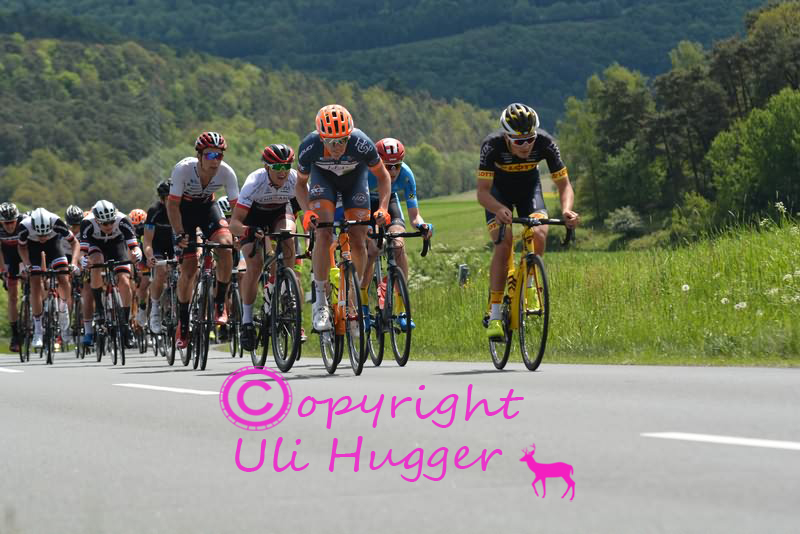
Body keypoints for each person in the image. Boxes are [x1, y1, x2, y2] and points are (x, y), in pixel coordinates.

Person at [477, 103, 580, 339]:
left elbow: (564, 185)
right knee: (504, 244)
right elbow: (482, 193)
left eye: (530, 139)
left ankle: (531, 286)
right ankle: (494, 314)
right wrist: (498, 208)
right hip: (497, 196)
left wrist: (567, 210)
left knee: (539, 232)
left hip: (529, 192)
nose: (526, 145)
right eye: (518, 141)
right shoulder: (492, 146)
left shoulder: (545, 143)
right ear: (506, 136)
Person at [295, 104, 392, 332]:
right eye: (331, 142)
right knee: (323, 234)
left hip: (354, 183)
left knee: (359, 238)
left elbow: (383, 177)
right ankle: (320, 303)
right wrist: (307, 212)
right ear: (321, 137)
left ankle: (352, 300)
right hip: (323, 182)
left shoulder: (361, 143)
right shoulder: (309, 146)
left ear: (350, 135)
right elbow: (300, 185)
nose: (337, 147)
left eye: (342, 140)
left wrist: (383, 208)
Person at [166, 131, 239, 349]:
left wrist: (238, 234)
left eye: (219, 155)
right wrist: (179, 233)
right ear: (199, 156)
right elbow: (172, 205)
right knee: (189, 269)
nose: (215, 161)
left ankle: (219, 302)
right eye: (210, 155)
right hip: (184, 212)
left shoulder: (227, 173)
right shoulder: (183, 170)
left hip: (208, 208)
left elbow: (237, 208)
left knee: (225, 246)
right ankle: (183, 322)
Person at [229, 144, 304, 351]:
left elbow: (306, 210)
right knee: (255, 266)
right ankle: (246, 321)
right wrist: (248, 230)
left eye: (286, 166)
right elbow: (234, 224)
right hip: (252, 218)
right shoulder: (254, 182)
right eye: (277, 167)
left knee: (288, 234)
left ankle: (287, 289)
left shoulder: (295, 179)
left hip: (279, 214)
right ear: (267, 167)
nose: (283, 171)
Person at [363, 137, 433, 331]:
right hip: (366, 205)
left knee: (398, 244)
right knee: (371, 251)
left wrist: (422, 226)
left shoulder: (407, 175)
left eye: (397, 165)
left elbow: (414, 215)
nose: (393, 171)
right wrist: (366, 229)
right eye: (388, 166)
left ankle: (402, 310)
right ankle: (363, 306)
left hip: (390, 203)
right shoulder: (366, 174)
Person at [78, 200, 142, 348]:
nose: (109, 226)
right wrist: (83, 260)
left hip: (117, 245)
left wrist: (137, 253)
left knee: (124, 280)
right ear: (96, 220)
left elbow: (134, 246)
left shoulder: (123, 220)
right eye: (104, 223)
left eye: (111, 222)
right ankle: (100, 309)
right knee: (96, 261)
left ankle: (125, 325)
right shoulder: (87, 223)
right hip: (96, 246)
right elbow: (83, 251)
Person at [17, 207, 80, 348]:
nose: (43, 238)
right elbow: (21, 247)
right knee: (35, 283)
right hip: (33, 249)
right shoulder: (24, 227)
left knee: (63, 276)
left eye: (45, 234)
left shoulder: (57, 222)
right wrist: (27, 264)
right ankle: (38, 331)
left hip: (54, 247)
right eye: (40, 234)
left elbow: (75, 243)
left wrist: (74, 263)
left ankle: (63, 309)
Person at [142, 181, 176, 335]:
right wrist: (149, 257)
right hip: (157, 246)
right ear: (162, 199)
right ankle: (155, 308)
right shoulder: (154, 211)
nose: (172, 201)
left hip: (175, 244)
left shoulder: (182, 208)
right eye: (169, 198)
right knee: (161, 271)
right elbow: (147, 241)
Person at [65, 205, 93, 345]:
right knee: (66, 286)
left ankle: (87, 318)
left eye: (78, 225)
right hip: (66, 257)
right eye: (72, 226)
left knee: (87, 286)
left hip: (81, 258)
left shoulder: (86, 230)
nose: (75, 229)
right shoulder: (63, 233)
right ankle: (66, 324)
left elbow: (87, 252)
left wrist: (83, 266)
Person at [0, 202, 25, 351]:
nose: (9, 226)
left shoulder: (24, 222)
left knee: (36, 282)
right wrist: (3, 270)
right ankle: (15, 335)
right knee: (13, 296)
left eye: (12, 222)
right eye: (6, 223)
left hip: (25, 253)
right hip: (9, 257)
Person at [128, 208, 150, 328]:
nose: (137, 228)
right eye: (134, 226)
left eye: (139, 225)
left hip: (149, 255)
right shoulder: (129, 232)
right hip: (139, 258)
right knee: (142, 283)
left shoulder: (149, 228)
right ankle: (140, 308)